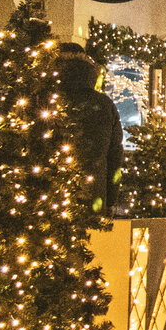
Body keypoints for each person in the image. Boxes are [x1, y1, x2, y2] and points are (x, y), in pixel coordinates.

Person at [52, 42, 124, 216]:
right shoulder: (104, 104)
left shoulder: (48, 100)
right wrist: (111, 200)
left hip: (50, 196)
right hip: (93, 196)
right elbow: (115, 156)